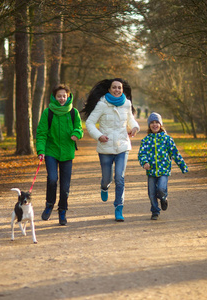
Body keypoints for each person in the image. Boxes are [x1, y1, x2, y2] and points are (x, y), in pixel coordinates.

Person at [81, 78, 140, 222]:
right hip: (105, 147)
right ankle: (104, 186)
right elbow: (89, 122)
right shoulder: (102, 104)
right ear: (109, 90)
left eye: (119, 88)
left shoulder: (127, 103)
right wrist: (99, 136)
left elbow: (130, 119)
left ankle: (119, 208)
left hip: (122, 146)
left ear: (122, 90)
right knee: (107, 178)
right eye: (114, 87)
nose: (117, 90)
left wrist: (134, 127)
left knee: (119, 178)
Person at [36, 84, 84, 225]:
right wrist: (41, 151)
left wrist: (76, 134)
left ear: (68, 96)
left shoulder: (73, 112)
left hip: (67, 153)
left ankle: (62, 211)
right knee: (52, 179)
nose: (62, 98)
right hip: (51, 151)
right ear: (54, 97)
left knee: (65, 187)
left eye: (64, 96)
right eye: (59, 96)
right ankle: (49, 204)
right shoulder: (48, 112)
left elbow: (79, 128)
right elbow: (41, 133)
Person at [137, 112, 188, 220]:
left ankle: (163, 198)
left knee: (161, 188)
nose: (154, 125)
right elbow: (142, 154)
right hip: (151, 171)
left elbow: (175, 153)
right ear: (149, 125)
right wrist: (144, 162)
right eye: (152, 123)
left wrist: (182, 166)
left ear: (160, 125)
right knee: (151, 193)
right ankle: (155, 211)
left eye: (157, 122)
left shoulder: (167, 139)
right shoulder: (146, 140)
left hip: (164, 170)